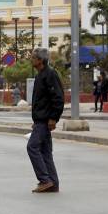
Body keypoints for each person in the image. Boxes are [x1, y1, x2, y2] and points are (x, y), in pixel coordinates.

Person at [27, 48, 64, 193]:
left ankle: (44, 180)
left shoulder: (50, 75)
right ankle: (53, 183)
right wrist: (36, 119)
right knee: (45, 151)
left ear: (40, 60)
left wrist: (53, 118)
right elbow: (42, 101)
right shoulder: (40, 76)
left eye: (33, 58)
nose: (31, 60)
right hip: (40, 121)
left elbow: (58, 98)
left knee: (32, 147)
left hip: (45, 120)